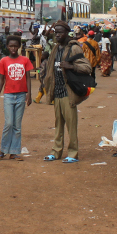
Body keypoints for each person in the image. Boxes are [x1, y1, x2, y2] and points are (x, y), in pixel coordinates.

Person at [39, 21, 92, 163]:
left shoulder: (74, 48)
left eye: (60, 32)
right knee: (58, 125)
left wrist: (71, 66)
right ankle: (56, 152)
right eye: (56, 32)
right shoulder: (56, 48)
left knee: (71, 126)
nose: (57, 34)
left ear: (67, 33)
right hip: (57, 92)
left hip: (69, 93)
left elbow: (87, 67)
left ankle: (73, 154)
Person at [0, 35, 34, 160]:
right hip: (9, 95)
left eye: (16, 46)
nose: (13, 48)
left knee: (17, 125)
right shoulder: (4, 61)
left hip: (21, 95)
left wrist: (29, 94)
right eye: (11, 46)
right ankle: (3, 150)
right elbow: (1, 81)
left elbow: (28, 79)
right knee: (9, 123)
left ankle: (14, 152)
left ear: (19, 46)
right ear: (7, 47)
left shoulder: (25, 60)